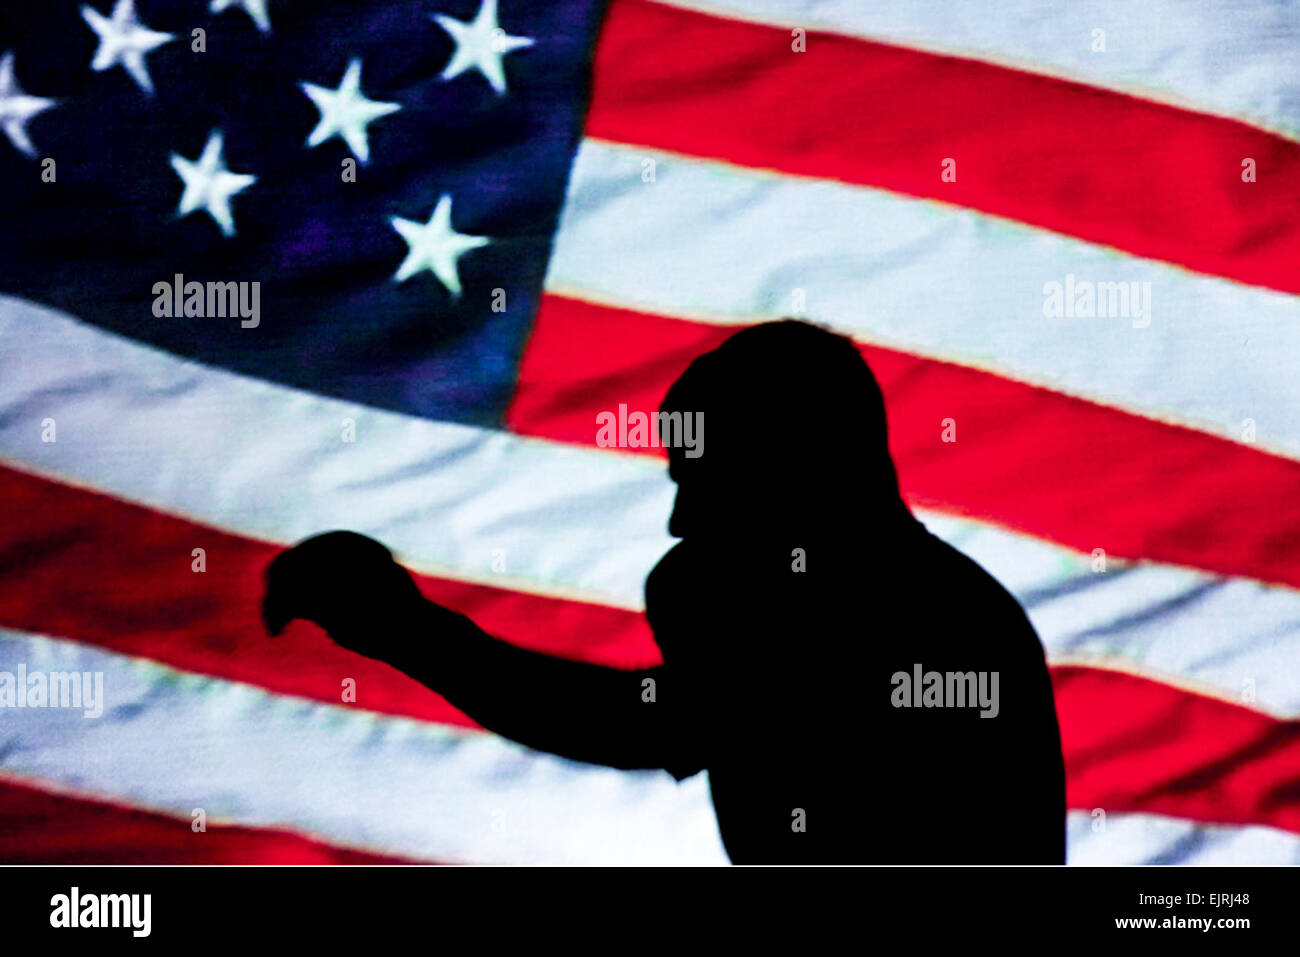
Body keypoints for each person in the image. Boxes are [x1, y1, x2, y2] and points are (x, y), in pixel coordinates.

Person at [262, 319, 1066, 863]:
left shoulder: (918, 621)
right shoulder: (891, 603)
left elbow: (630, 721)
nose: (681, 518)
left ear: (794, 469)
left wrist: (402, 626)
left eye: (703, 482)